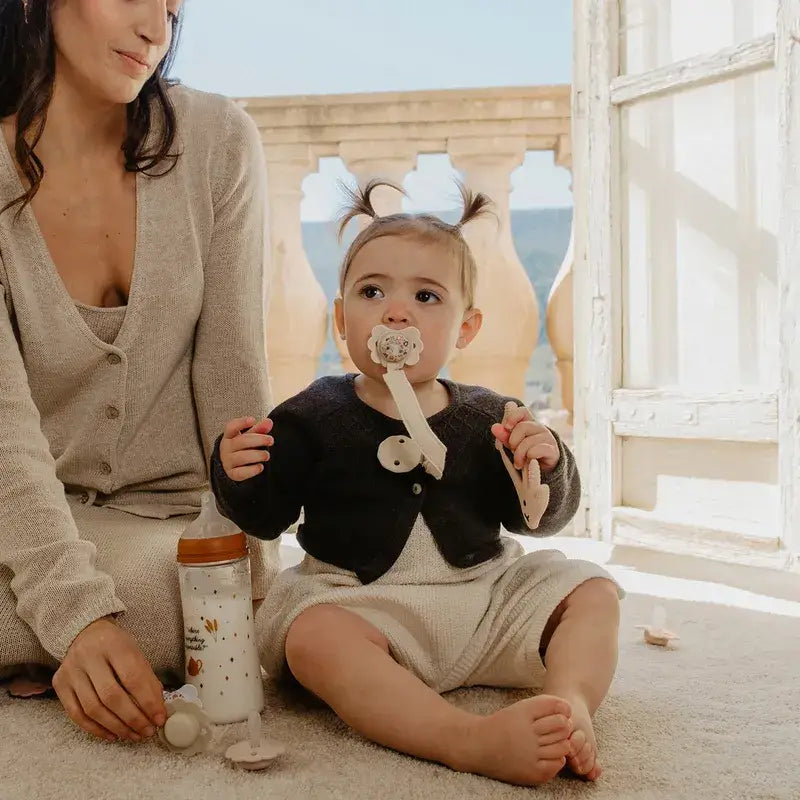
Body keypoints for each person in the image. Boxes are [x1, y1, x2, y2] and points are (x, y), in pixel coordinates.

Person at [211, 180, 624, 787]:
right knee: (313, 636)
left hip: (485, 601)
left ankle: (570, 706)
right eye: (372, 292)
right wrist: (237, 470)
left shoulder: (490, 414)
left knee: (591, 591)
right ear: (340, 320)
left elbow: (539, 516)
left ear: (466, 328)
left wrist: (548, 467)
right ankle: (462, 738)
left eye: (426, 296)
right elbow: (265, 516)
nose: (396, 311)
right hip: (362, 604)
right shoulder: (311, 413)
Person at [0, 0, 277, 746]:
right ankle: (80, 641)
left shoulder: (217, 141)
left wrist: (231, 562)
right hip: (15, 516)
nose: (158, 28)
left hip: (170, 526)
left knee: (217, 595)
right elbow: (4, 433)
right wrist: (78, 614)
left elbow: (235, 388)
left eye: (174, 5)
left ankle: (48, 645)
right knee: (166, 611)